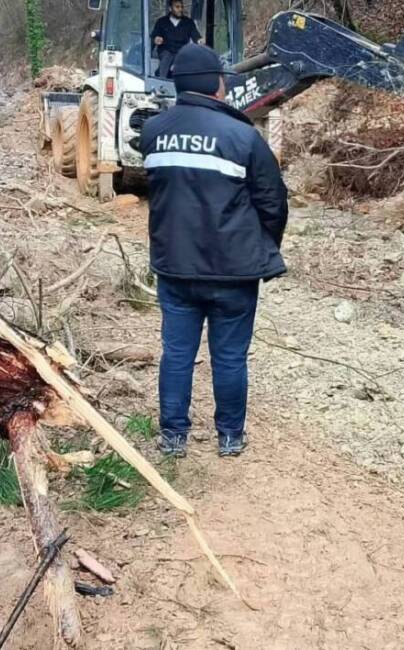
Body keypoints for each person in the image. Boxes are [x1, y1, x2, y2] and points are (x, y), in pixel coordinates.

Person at [140, 43, 288, 458]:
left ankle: (173, 438)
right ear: (218, 85)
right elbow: (273, 204)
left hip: (175, 268)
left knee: (177, 354)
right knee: (229, 357)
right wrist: (260, 246)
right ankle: (229, 437)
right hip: (234, 272)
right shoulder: (244, 137)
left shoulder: (154, 132)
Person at [150, 0, 202, 79]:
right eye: (177, 7)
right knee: (167, 57)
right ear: (170, 9)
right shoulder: (161, 22)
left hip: (181, 52)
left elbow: (196, 36)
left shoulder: (188, 22)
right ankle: (161, 81)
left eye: (181, 7)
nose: (180, 9)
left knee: (185, 60)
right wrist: (156, 39)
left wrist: (200, 41)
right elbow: (153, 37)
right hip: (166, 51)